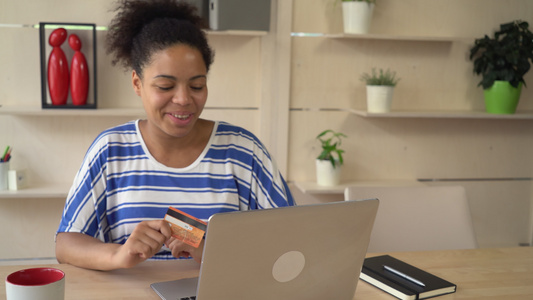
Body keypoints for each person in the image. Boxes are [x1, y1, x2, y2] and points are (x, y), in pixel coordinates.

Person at [55, 0, 294, 271]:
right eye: (165, 86)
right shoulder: (111, 150)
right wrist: (118, 255)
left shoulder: (243, 151)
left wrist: (214, 249)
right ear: (137, 83)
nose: (183, 99)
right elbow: (66, 244)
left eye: (197, 85)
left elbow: (291, 240)